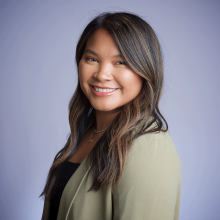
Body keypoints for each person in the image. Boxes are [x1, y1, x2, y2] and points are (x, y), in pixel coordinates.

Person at [40, 11, 181, 220]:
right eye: (92, 59)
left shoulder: (149, 147)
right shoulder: (85, 133)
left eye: (120, 62)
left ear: (146, 70)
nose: (101, 74)